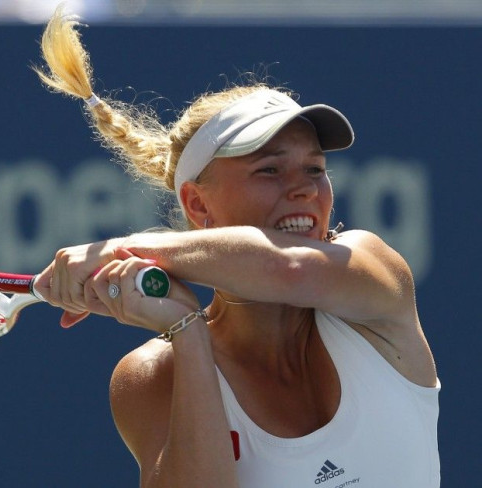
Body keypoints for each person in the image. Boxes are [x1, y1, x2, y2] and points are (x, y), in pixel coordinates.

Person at [33, 7, 440, 487]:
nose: (306, 189)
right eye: (269, 170)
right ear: (198, 206)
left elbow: (288, 269)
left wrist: (124, 249)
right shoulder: (151, 375)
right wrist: (187, 333)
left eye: (315, 169)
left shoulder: (372, 272)